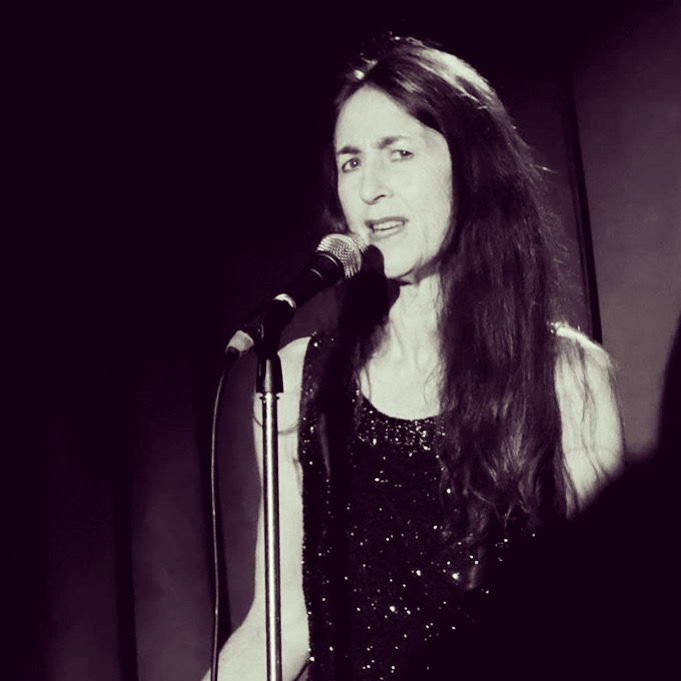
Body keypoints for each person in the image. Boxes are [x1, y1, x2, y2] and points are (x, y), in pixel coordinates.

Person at [210, 36, 624, 680]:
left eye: (398, 153)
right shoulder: (294, 382)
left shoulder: (563, 379)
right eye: (350, 163)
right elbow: (282, 620)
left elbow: (607, 621)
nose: (370, 187)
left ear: (471, 168)